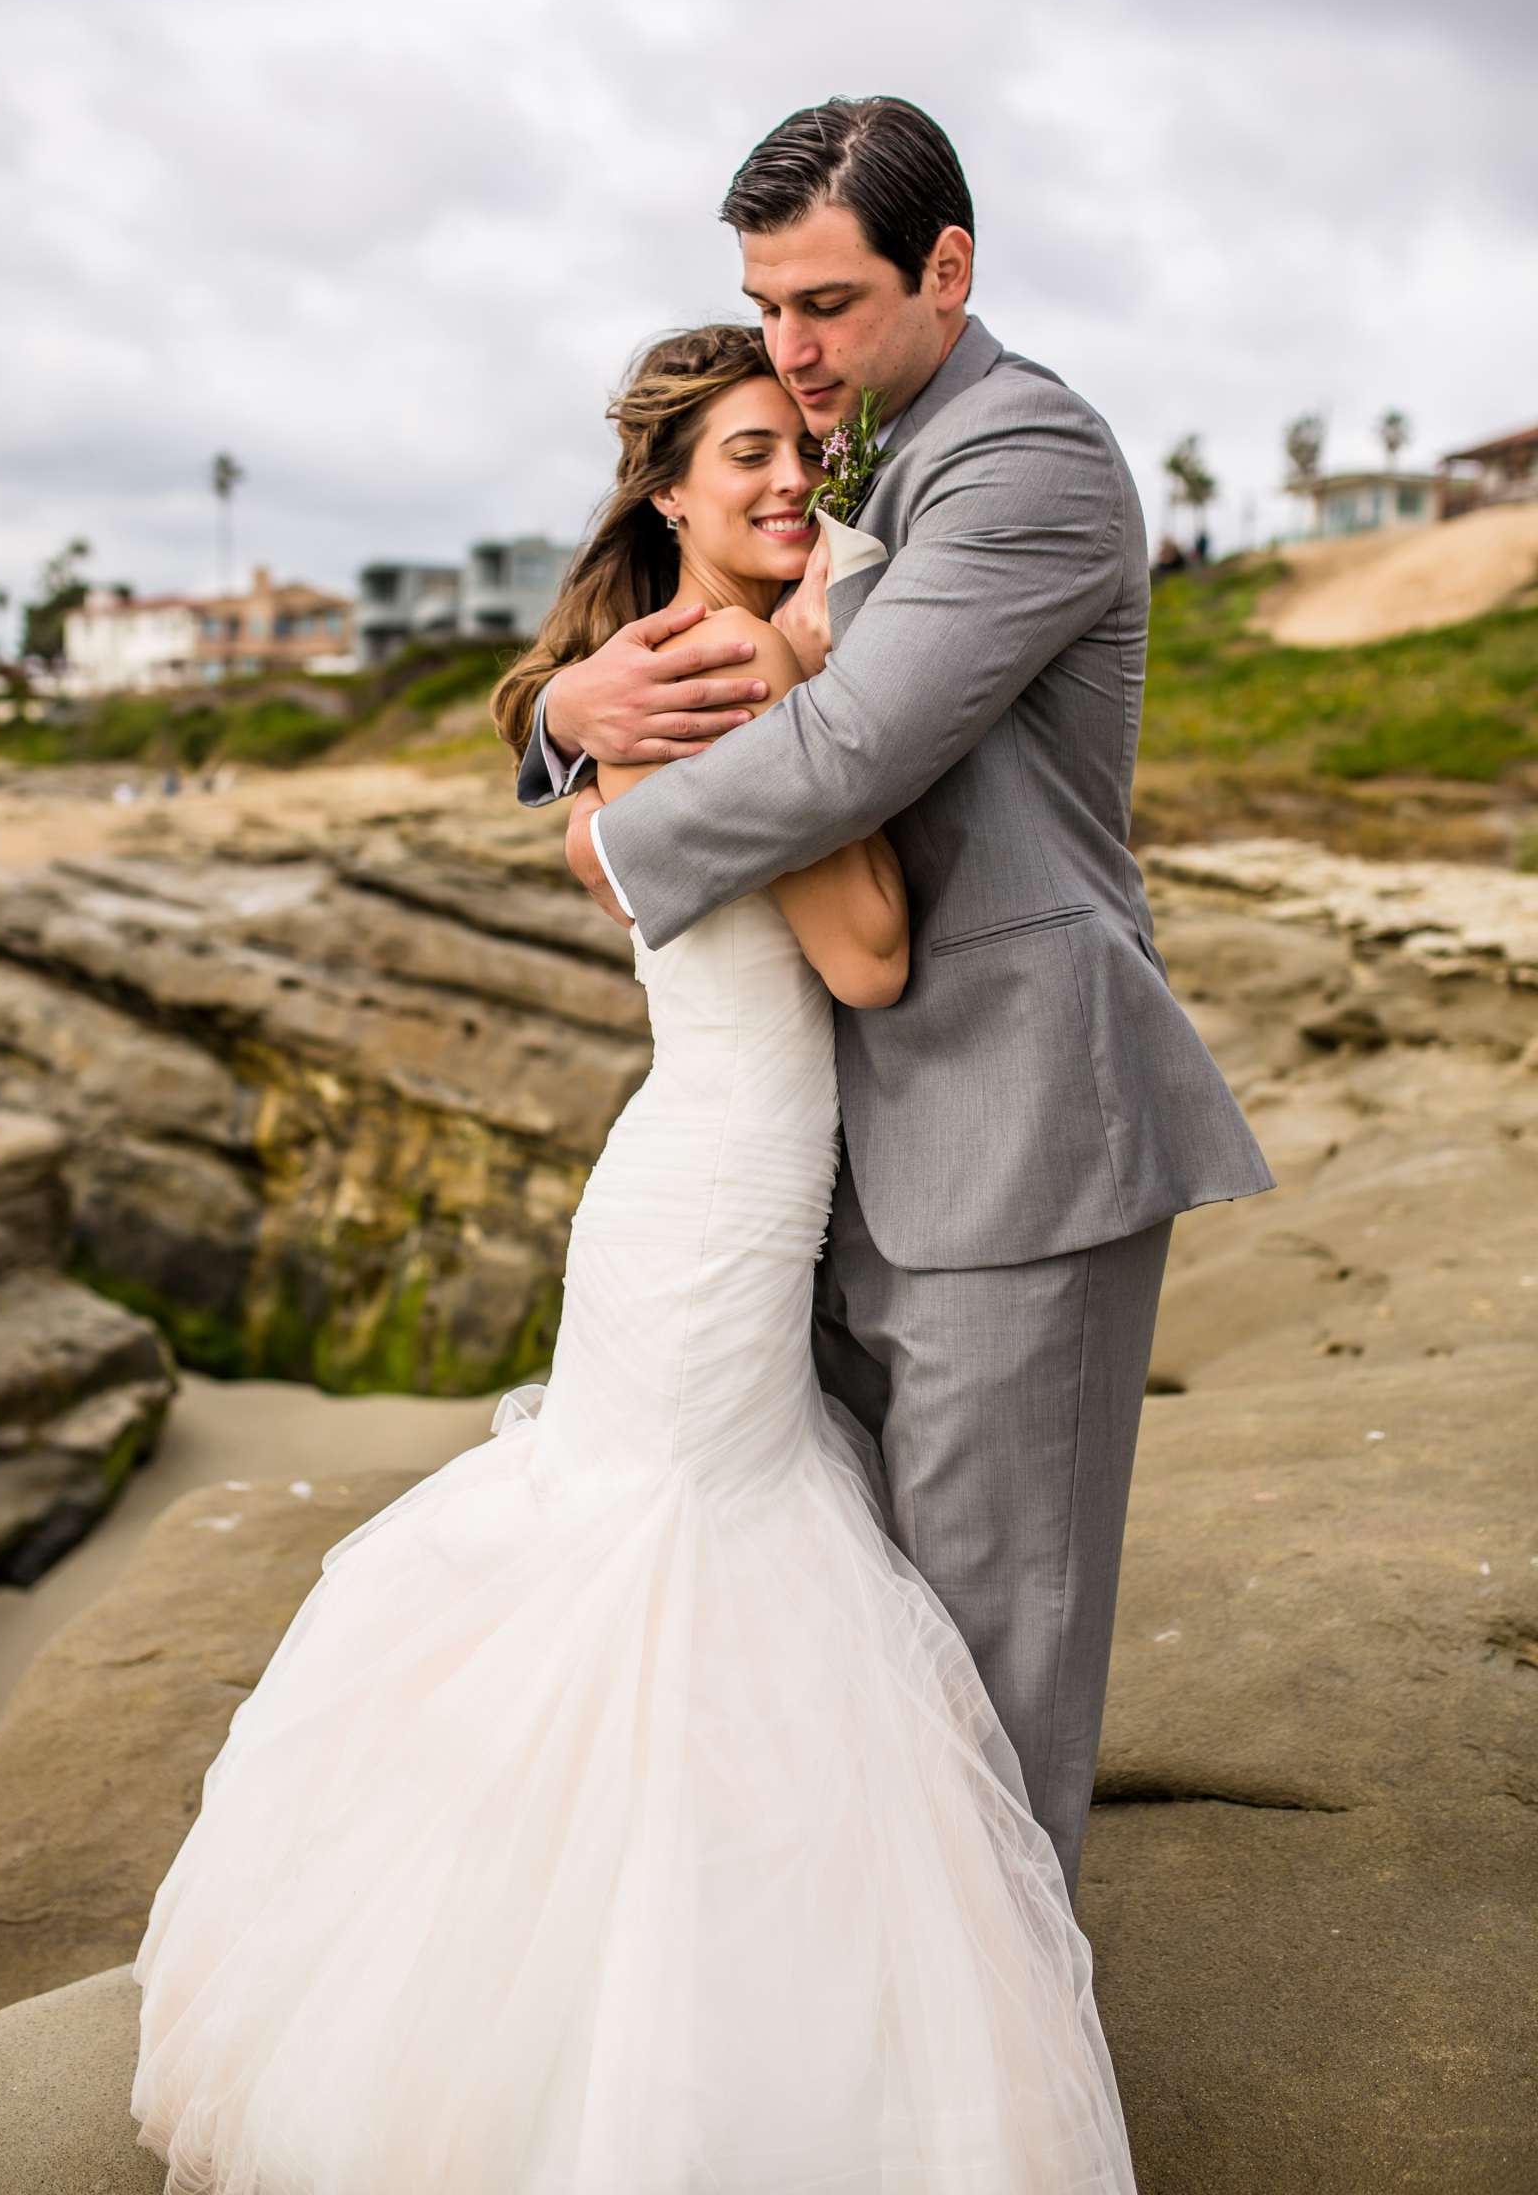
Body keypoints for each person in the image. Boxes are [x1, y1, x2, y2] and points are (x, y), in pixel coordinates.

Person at [128, 323, 1143, 2191]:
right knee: (690, 1558)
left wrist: (599, 731)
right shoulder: (736, 668)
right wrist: (812, 682)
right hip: (721, 1186)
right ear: (668, 492)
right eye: (742, 455)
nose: (785, 485)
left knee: (686, 1549)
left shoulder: (651, 667)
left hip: (708, 1176)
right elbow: (864, 953)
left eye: (798, 457)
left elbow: (600, 813)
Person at [518, 96, 1275, 1900]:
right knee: (876, 1638)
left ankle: (997, 2096)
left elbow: (847, 743)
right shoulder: (877, 463)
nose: (792, 352)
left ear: (948, 271)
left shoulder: (1025, 462)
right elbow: (696, 655)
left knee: (995, 1656)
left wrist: (611, 849)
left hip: (1016, 1129)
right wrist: (560, 725)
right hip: (853, 1153)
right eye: (766, 308)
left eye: (828, 306)